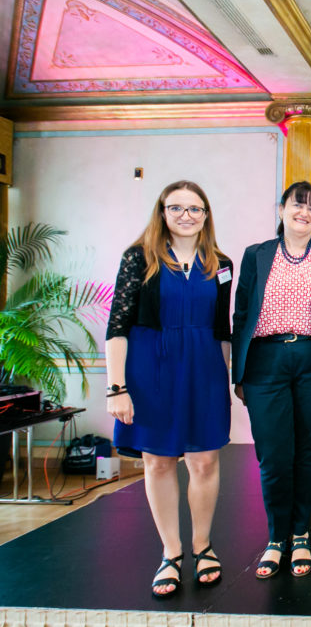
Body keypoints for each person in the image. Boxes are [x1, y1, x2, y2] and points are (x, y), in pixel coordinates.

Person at [105, 180, 233, 598]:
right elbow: (118, 325)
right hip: (151, 369)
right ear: (162, 212)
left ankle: (203, 546)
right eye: (176, 208)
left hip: (205, 369)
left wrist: (226, 380)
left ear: (206, 215)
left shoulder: (221, 263)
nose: (186, 216)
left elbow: (223, 329)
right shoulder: (139, 257)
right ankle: (171, 552)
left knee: (205, 462)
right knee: (158, 462)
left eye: (195, 209)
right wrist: (116, 388)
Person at [231, 180, 311, 579]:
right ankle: (275, 538)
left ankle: (300, 533)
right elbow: (241, 315)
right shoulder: (256, 255)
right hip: (265, 361)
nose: (304, 212)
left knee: (307, 453)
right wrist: (238, 373)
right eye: (297, 204)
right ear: (281, 209)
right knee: (273, 455)